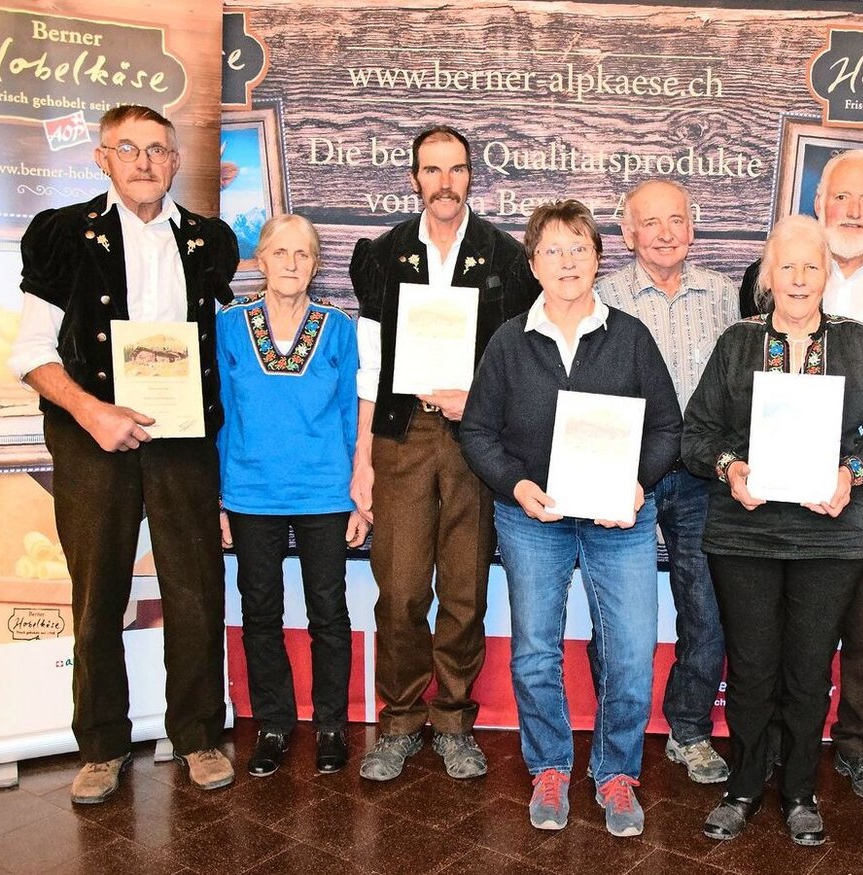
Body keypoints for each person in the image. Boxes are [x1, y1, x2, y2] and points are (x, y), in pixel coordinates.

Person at [7, 105, 239, 802]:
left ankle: (197, 734)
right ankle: (103, 745)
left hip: (183, 443)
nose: (145, 162)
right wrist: (91, 411)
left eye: (159, 150)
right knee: (98, 594)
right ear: (102, 158)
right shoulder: (62, 236)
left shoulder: (208, 241)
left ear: (175, 162)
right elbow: (28, 353)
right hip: (92, 442)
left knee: (195, 590)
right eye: (129, 149)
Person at [460, 200, 681, 838]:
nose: (566, 262)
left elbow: (668, 427)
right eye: (552, 251)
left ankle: (616, 773)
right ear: (532, 264)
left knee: (633, 650)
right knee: (534, 651)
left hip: (621, 519)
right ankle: (550, 766)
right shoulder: (508, 340)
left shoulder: (631, 336)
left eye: (578, 249)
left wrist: (639, 485)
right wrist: (515, 484)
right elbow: (477, 432)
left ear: (597, 259)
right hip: (535, 518)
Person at [684, 215, 863, 846]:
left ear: (827, 276)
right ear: (767, 275)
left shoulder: (858, 345)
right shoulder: (737, 343)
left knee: (810, 669)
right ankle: (745, 785)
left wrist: (852, 472)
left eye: (813, 267)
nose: (800, 279)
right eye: (788, 267)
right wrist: (730, 468)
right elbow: (696, 435)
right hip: (745, 532)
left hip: (829, 537)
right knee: (752, 667)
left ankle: (802, 790)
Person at [741, 149, 863, 800]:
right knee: (780, 613)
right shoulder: (767, 276)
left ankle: (857, 742)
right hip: (781, 472)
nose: (853, 212)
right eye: (841, 198)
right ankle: (774, 735)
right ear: (818, 201)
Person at [348, 125, 539, 783]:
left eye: (456, 170)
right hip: (401, 436)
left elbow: (520, 361)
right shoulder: (384, 254)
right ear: (414, 178)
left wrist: (481, 398)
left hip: (473, 441)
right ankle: (399, 720)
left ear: (470, 177)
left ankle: (454, 720)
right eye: (432, 170)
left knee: (463, 589)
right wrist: (363, 458)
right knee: (400, 589)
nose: (445, 183)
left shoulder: (506, 259)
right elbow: (370, 365)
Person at [596, 179, 738, 784]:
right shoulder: (604, 295)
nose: (663, 233)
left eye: (675, 220)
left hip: (704, 476)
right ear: (627, 234)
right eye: (649, 223)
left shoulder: (725, 296)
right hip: (629, 473)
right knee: (623, 611)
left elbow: (741, 386)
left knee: (705, 607)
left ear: (692, 227)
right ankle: (612, 729)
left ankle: (689, 729)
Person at [216, 214, 368, 777]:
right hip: (251, 491)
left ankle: (332, 724)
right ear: (259, 260)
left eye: (303, 254)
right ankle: (274, 724)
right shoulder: (230, 327)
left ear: (315, 264)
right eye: (280, 253)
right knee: (261, 613)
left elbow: (355, 416)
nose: (291, 264)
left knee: (329, 612)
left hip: (324, 492)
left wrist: (359, 492)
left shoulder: (338, 328)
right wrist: (219, 497)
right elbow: (220, 416)